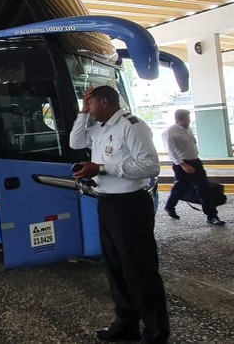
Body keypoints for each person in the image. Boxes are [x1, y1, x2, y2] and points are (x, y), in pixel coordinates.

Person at [69, 86, 169, 344]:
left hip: (130, 206)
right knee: (116, 268)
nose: (88, 109)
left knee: (140, 269)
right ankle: (126, 323)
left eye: (90, 104)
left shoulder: (132, 126)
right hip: (108, 204)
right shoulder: (100, 127)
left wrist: (101, 167)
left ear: (104, 102)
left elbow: (150, 166)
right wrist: (82, 113)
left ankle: (156, 332)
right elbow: (75, 142)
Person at [162, 109, 225, 226]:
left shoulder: (188, 130)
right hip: (182, 164)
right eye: (187, 119)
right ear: (179, 119)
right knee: (180, 188)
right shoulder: (169, 132)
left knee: (204, 189)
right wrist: (183, 165)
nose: (189, 121)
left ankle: (212, 216)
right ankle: (170, 207)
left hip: (195, 162)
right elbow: (171, 151)